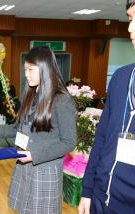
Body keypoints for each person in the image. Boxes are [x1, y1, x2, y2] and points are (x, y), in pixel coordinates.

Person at [0, 46, 77, 214]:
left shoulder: (62, 101)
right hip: (25, 166)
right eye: (25, 69)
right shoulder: (32, 95)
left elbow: (69, 142)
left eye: (30, 69)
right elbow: (19, 128)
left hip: (45, 172)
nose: (26, 74)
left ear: (45, 69)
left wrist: (35, 155)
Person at [79, 1, 135, 213]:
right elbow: (101, 138)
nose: (130, 28)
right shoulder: (121, 78)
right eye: (130, 19)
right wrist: (87, 190)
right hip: (101, 199)